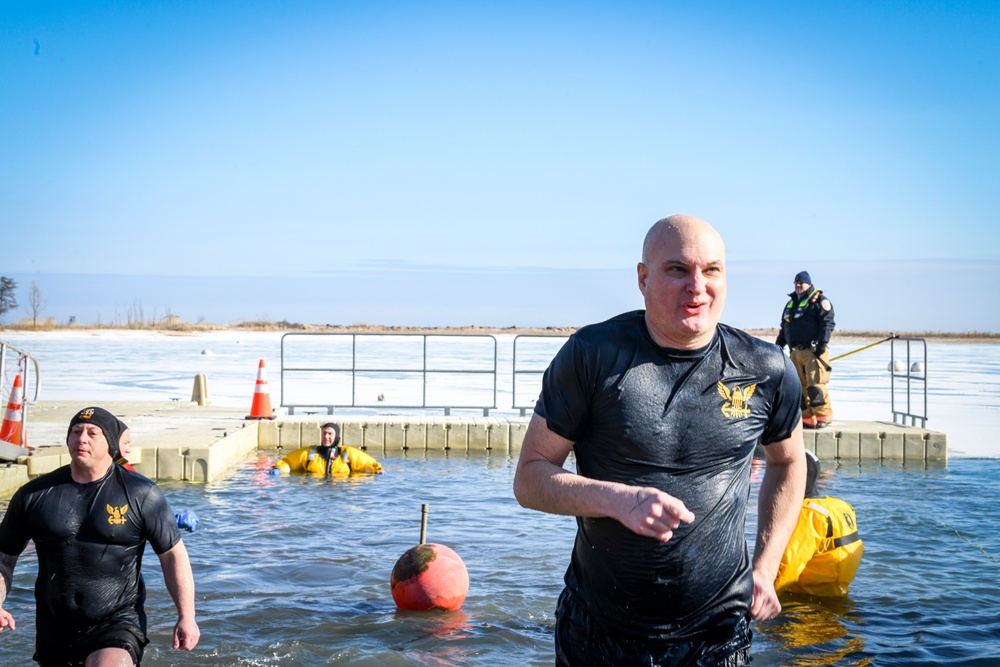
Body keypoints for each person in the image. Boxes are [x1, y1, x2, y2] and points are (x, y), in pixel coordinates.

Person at [513, 215, 807, 666]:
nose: (697, 286)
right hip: (597, 633)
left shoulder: (765, 369)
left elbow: (788, 462)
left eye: (712, 270)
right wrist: (616, 500)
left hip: (717, 636)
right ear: (643, 278)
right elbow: (530, 478)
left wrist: (767, 569)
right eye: (677, 269)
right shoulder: (593, 356)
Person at [0, 406, 200, 665]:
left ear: (111, 444)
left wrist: (187, 615)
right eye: (75, 431)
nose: (81, 438)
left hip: (117, 622)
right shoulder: (34, 495)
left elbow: (172, 555)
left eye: (92, 433)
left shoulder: (141, 494)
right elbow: (4, 557)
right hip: (54, 628)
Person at [775, 451, 863, 597]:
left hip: (806, 599)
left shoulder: (807, 513)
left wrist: (760, 599)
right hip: (838, 593)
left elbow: (788, 566)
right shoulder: (840, 505)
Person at [775, 270, 836, 428]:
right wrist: (778, 346)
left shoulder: (819, 301)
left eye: (801, 283)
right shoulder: (791, 304)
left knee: (815, 385)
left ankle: (823, 416)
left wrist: (822, 344)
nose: (798, 286)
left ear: (809, 284)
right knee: (798, 388)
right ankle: (806, 418)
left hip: (813, 351)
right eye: (796, 283)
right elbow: (785, 327)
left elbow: (827, 323)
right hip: (795, 352)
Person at [117, 422, 199, 532]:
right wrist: (169, 521)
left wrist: (168, 519)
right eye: (125, 443)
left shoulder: (124, 468)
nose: (129, 450)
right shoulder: (115, 472)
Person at [270, 422, 384, 476]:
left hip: (340, 490)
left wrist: (378, 471)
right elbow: (289, 462)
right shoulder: (309, 453)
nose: (326, 437)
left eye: (330, 434)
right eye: (324, 433)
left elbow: (368, 464)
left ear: (337, 437)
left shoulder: (347, 454)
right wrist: (279, 469)